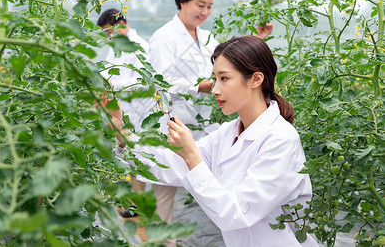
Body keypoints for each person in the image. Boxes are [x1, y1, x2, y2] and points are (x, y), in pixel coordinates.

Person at [110, 36, 318, 246]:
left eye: (224, 78)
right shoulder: (228, 132)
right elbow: (170, 164)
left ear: (256, 79)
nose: (215, 89)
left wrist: (191, 155)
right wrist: (122, 133)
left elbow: (235, 214)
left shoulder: (281, 140)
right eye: (215, 79)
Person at [148, 0, 272, 246]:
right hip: (175, 119)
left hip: (205, 122)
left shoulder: (205, 37)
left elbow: (229, 63)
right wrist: (202, 86)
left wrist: (257, 39)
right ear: (182, 1)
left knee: (212, 181)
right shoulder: (164, 37)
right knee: (165, 185)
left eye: (209, 6)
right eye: (200, 4)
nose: (204, 12)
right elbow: (159, 81)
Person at [97, 8, 152, 218]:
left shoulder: (139, 47)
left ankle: (136, 206)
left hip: (135, 110)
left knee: (135, 156)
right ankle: (126, 203)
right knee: (122, 156)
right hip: (118, 110)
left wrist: (113, 84)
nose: (107, 37)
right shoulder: (115, 47)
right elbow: (107, 71)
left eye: (108, 32)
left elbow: (143, 80)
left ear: (119, 25)